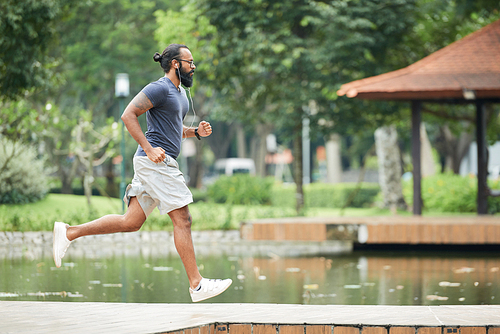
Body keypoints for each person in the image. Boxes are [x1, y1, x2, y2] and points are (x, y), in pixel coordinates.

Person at [53, 43, 232, 303]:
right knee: (183, 218)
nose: (193, 67)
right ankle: (197, 285)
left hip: (158, 162)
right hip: (155, 163)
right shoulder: (158, 88)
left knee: (131, 222)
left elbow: (172, 128)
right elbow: (128, 115)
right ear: (175, 64)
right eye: (189, 62)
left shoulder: (180, 94)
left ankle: (69, 232)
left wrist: (194, 132)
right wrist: (148, 149)